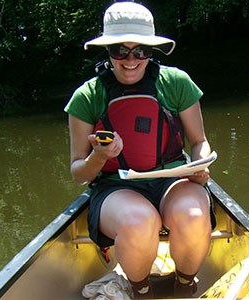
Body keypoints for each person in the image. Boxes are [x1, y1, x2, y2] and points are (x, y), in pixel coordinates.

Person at [64, 2, 215, 298]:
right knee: (139, 221)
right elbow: (77, 172)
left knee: (195, 215)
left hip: (172, 179)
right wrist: (99, 156)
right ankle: (142, 291)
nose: (131, 60)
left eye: (140, 51)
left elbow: (199, 142)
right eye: (121, 50)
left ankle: (184, 286)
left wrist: (199, 165)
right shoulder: (87, 96)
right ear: (109, 52)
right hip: (115, 188)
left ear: (150, 50)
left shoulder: (176, 83)